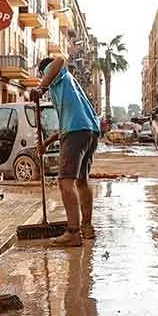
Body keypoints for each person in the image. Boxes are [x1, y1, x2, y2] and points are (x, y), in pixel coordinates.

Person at [31, 56, 100, 246]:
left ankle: (73, 232)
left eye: (42, 76)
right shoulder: (67, 87)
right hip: (89, 131)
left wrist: (41, 87)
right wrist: (46, 142)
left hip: (77, 131)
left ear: (45, 73)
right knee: (81, 181)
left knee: (64, 182)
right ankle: (86, 227)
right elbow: (65, 124)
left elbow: (60, 60)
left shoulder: (59, 76)